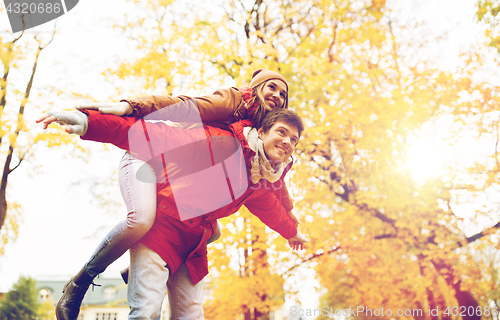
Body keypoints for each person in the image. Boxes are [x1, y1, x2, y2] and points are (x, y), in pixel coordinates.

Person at [37, 69, 298, 319]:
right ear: (255, 90)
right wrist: (121, 110)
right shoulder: (233, 105)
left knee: (212, 230)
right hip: (149, 153)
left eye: (283, 94)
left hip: (179, 178)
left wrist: (292, 223)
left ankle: (150, 259)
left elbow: (273, 192)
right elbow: (181, 107)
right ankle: (83, 281)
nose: (276, 95)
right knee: (141, 219)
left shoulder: (260, 160)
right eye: (271, 87)